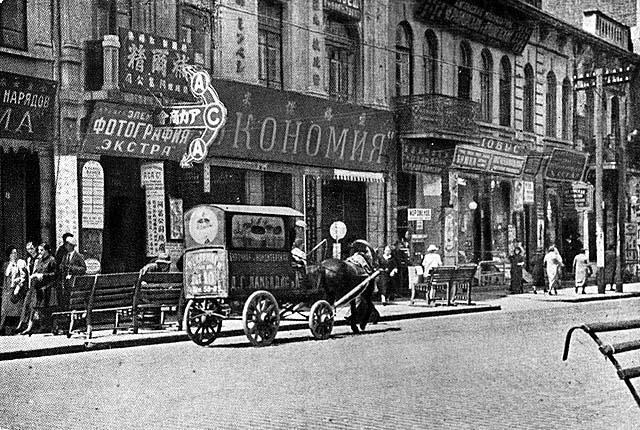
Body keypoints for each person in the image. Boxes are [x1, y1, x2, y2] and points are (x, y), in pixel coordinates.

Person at [23, 243, 57, 334]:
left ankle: (49, 327)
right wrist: (35, 275)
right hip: (40, 288)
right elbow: (37, 270)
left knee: (47, 308)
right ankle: (43, 327)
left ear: (46, 250)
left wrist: (43, 275)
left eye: (41, 250)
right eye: (39, 250)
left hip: (49, 288)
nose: (39, 252)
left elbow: (55, 275)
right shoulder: (40, 260)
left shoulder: (52, 260)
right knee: (40, 308)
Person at [0, 247, 28, 334]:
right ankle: (2, 327)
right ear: (9, 255)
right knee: (5, 310)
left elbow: (22, 276)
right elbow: (6, 273)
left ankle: (14, 328)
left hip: (15, 289)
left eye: (16, 253)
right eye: (13, 253)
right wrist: (11, 264)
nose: (15, 255)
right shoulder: (6, 264)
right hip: (7, 290)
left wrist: (18, 283)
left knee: (16, 310)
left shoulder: (19, 264)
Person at [57, 236, 87, 312]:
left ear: (72, 246)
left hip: (75, 282)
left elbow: (83, 268)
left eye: (68, 244)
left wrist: (72, 268)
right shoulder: (65, 255)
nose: (66, 246)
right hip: (66, 282)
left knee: (73, 300)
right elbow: (62, 265)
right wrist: (62, 266)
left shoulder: (78, 256)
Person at [16, 241, 38, 333]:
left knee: (32, 306)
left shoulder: (38, 258)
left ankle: (29, 327)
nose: (30, 251)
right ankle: (20, 324)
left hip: (36, 286)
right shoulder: (29, 259)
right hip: (30, 285)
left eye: (31, 248)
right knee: (26, 304)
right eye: (28, 249)